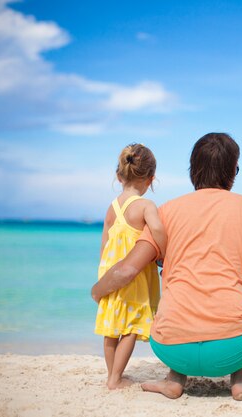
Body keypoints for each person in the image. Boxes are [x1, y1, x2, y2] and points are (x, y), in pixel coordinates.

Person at [91, 133, 242, 401]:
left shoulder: (166, 212)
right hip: (232, 350)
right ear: (233, 171)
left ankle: (174, 379)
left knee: (176, 297)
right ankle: (240, 380)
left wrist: (97, 290)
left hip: (171, 348)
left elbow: (127, 270)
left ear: (193, 170)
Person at [94, 143, 166, 390]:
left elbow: (104, 244)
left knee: (112, 327)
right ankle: (116, 378)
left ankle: (111, 375)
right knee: (132, 326)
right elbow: (157, 230)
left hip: (110, 273)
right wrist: (164, 253)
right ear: (151, 179)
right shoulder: (145, 206)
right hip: (133, 277)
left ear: (119, 175)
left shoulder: (111, 208)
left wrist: (104, 276)